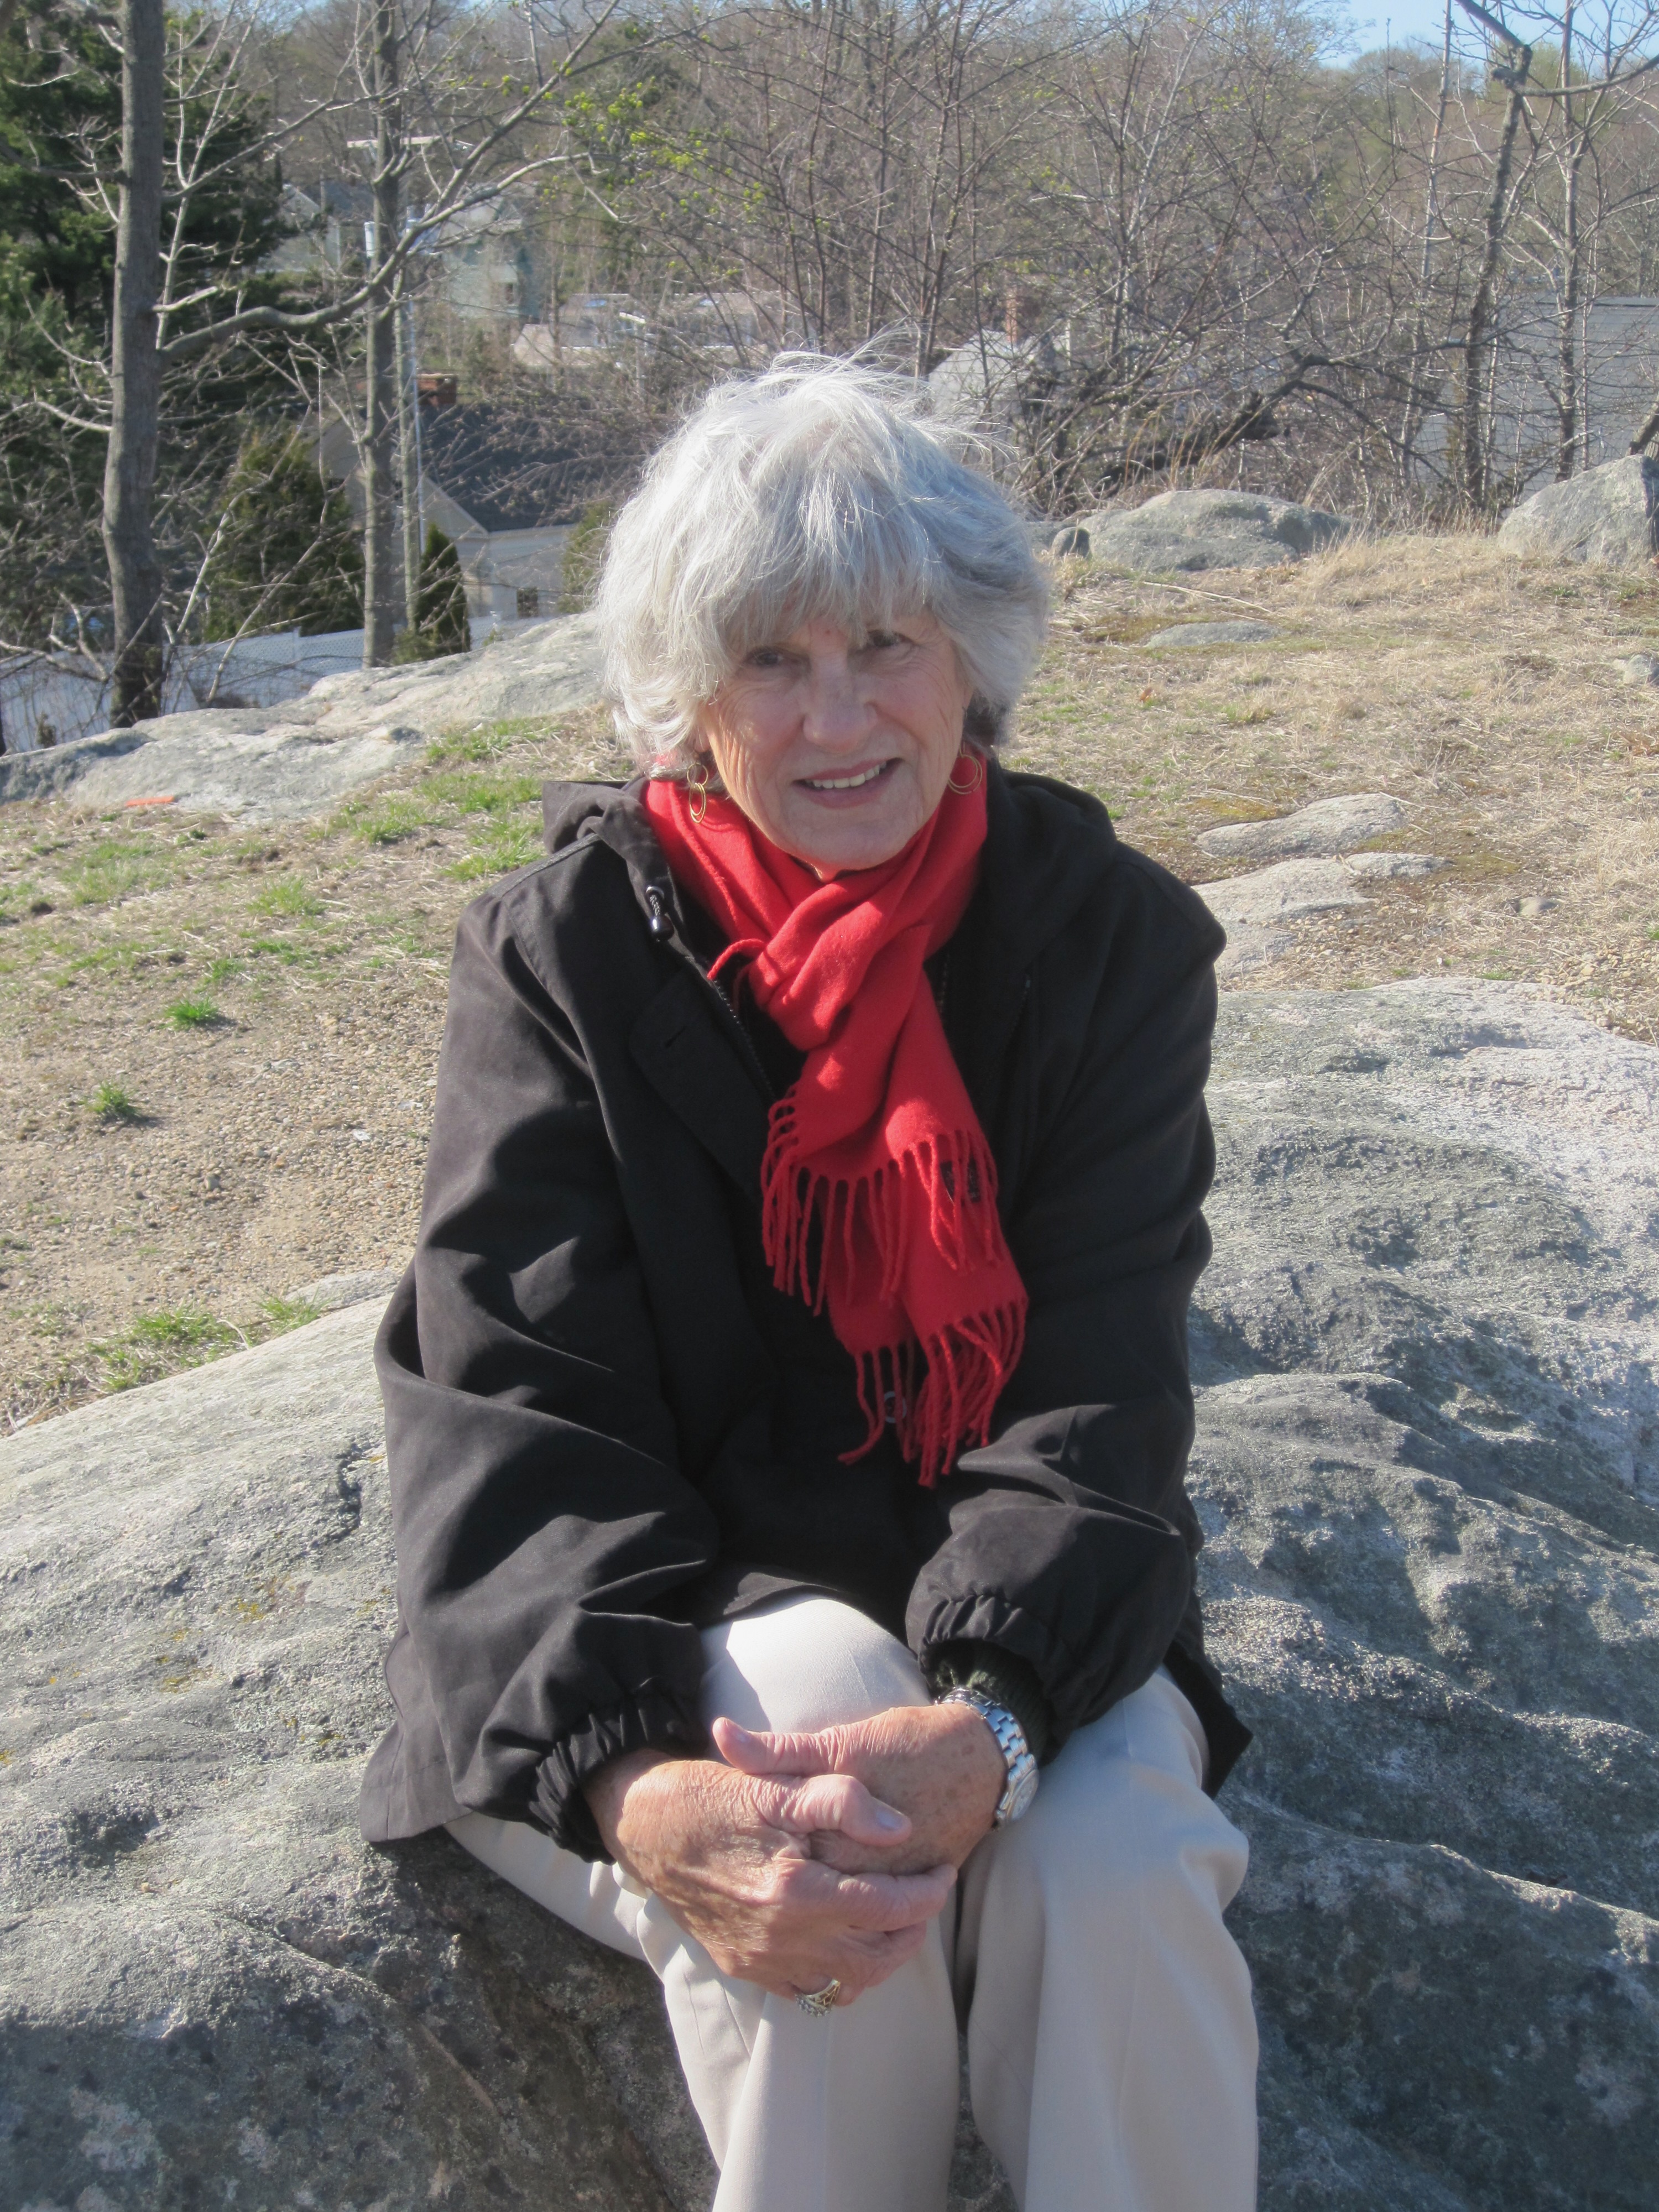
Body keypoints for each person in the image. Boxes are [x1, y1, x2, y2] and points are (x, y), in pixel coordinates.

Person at [361, 357, 1258, 2212]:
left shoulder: (1104, 939)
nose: (839, 717)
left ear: (972, 659)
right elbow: (519, 1411)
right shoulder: (563, 959)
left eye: (887, 645)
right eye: (770, 660)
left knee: (1113, 1860)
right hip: (668, 1625)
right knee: (809, 1832)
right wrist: (635, 1787)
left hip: (1027, 1607)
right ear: (688, 698)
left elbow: (1101, 1403)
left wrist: (997, 1720)